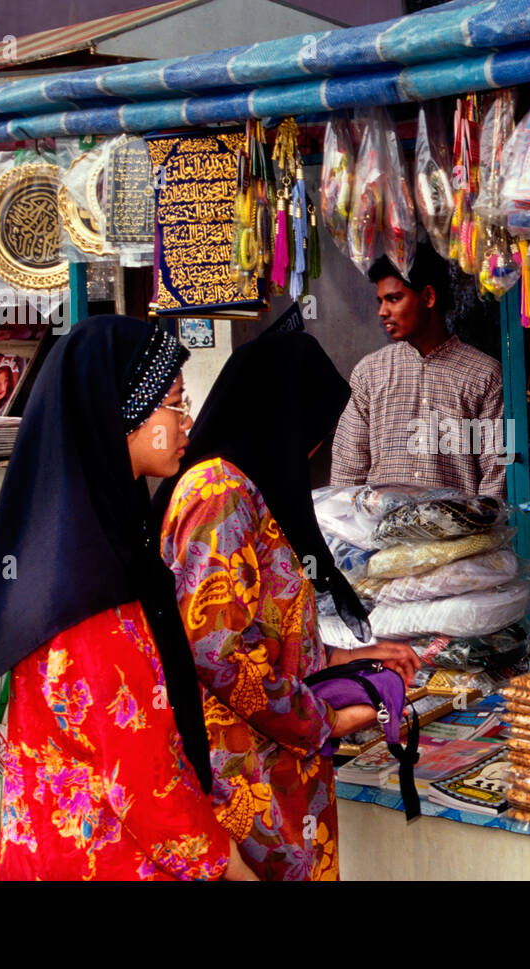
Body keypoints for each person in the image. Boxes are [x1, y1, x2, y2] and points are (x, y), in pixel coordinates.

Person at [0, 316, 250, 881]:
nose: (188, 422)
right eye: (174, 403)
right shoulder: (93, 594)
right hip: (108, 861)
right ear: (120, 414)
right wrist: (225, 864)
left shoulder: (75, 548)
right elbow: (142, 776)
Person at [155, 330, 421, 881]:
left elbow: (265, 630)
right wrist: (322, 719)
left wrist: (344, 661)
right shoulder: (218, 494)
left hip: (274, 761)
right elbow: (218, 653)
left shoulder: (249, 489)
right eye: (312, 430)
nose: (314, 450)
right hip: (243, 772)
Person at [330, 244, 507, 497]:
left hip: (457, 532)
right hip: (381, 532)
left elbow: (497, 472)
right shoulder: (369, 373)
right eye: (380, 301)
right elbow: (347, 470)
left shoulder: (485, 376)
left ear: (428, 297)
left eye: (393, 299)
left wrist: (479, 528)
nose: (382, 312)